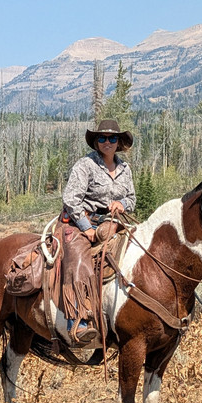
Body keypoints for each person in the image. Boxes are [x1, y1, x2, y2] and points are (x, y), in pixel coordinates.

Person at [60, 119, 136, 344]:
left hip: (112, 223)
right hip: (82, 221)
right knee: (78, 259)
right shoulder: (85, 165)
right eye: (102, 138)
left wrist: (122, 204)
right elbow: (71, 199)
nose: (107, 142)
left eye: (112, 138)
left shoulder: (124, 168)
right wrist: (86, 228)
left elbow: (132, 199)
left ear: (119, 142)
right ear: (96, 142)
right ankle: (77, 319)